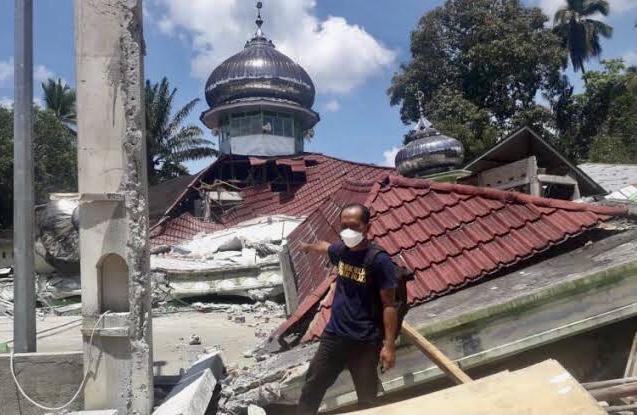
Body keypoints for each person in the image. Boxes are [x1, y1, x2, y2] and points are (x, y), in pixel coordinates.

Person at [296, 203, 398, 415]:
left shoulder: (379, 261)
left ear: (367, 228)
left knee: (368, 399)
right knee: (311, 388)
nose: (348, 232)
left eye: (354, 226)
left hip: (365, 341)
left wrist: (389, 346)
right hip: (334, 336)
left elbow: (389, 305)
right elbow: (325, 247)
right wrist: (307, 247)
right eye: (344, 227)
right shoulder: (341, 251)